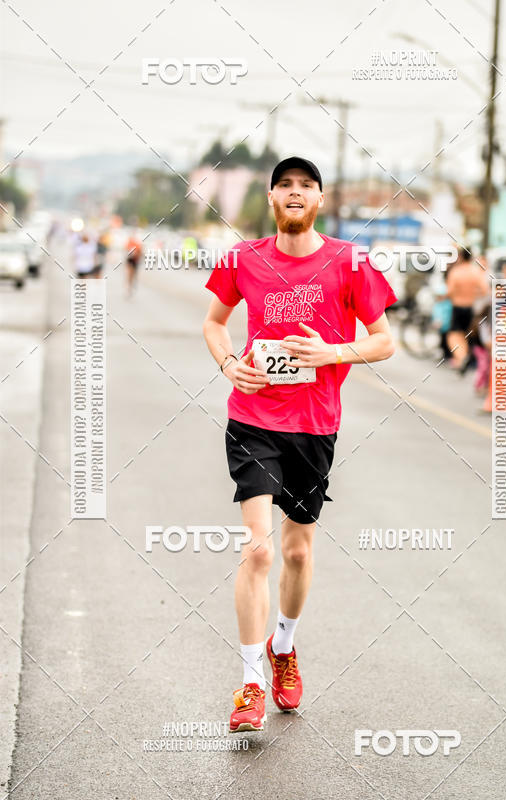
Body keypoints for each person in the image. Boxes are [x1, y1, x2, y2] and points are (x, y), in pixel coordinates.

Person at [202, 156, 397, 733]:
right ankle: (250, 685)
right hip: (253, 421)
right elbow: (214, 323)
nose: (295, 192)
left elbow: (384, 342)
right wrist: (229, 363)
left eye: (305, 185)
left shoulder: (350, 261)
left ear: (319, 199)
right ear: (270, 197)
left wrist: (332, 353)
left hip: (315, 425)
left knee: (296, 553)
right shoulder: (242, 258)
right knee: (259, 551)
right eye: (284, 184)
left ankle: (283, 647)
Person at [445, 247, 489, 370]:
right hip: (470, 308)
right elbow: (484, 290)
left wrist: (453, 295)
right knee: (466, 335)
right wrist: (473, 294)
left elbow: (450, 291)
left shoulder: (455, 272)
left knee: (453, 335)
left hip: (458, 307)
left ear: (460, 257)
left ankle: (461, 357)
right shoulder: (475, 272)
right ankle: (463, 358)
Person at [125, 233, 143, 297]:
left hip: (135, 260)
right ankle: (129, 287)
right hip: (131, 260)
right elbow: (126, 249)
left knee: (133, 274)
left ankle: (131, 285)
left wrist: (137, 255)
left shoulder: (138, 244)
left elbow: (140, 252)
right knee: (130, 274)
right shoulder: (130, 242)